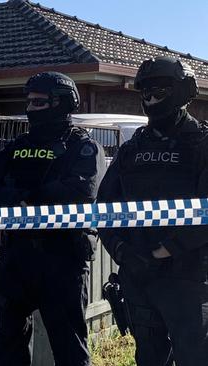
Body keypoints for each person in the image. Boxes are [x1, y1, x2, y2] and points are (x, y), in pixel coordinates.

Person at [0, 71, 106, 366]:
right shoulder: (16, 146)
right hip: (17, 257)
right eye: (29, 102)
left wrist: (29, 197)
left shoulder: (83, 147)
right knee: (9, 343)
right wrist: (13, 198)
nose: (30, 108)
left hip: (61, 258)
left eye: (38, 102)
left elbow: (82, 190)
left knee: (69, 346)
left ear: (60, 103)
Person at [97, 56, 208, 366]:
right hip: (138, 275)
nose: (150, 99)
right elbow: (104, 208)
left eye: (160, 91)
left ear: (182, 92)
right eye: (145, 92)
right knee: (148, 357)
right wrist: (121, 251)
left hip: (188, 275)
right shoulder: (131, 150)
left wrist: (167, 250)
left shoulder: (202, 145)